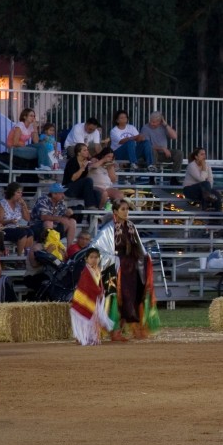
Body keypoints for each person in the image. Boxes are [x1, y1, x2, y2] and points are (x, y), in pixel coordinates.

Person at [111, 199, 156, 340]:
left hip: (134, 268)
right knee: (123, 298)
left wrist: (146, 257)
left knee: (136, 296)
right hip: (120, 268)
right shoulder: (110, 228)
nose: (126, 212)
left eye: (127, 209)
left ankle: (133, 329)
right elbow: (104, 248)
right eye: (122, 209)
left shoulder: (131, 226)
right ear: (115, 212)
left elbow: (139, 247)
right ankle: (116, 331)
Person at [70, 247, 115, 346]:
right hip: (83, 298)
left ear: (99, 258)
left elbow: (99, 283)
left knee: (93, 318)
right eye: (91, 257)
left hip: (93, 297)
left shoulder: (97, 269)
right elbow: (87, 284)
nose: (94, 259)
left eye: (96, 257)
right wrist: (98, 291)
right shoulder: (86, 271)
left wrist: (101, 290)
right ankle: (81, 337)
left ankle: (91, 337)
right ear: (86, 259)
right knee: (85, 318)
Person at [0, 183, 35, 255]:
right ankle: (19, 256)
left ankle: (27, 255)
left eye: (21, 193)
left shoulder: (19, 204)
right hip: (5, 228)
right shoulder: (2, 204)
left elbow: (27, 218)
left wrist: (24, 206)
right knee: (22, 233)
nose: (20, 195)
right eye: (18, 192)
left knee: (30, 232)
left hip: (17, 227)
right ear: (11, 192)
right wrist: (10, 221)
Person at [62, 143, 102, 209]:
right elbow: (73, 179)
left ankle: (92, 216)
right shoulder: (72, 161)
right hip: (68, 189)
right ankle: (90, 206)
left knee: (97, 193)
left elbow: (84, 179)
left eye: (87, 150)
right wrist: (82, 168)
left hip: (79, 190)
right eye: (84, 150)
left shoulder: (85, 162)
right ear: (79, 153)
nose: (87, 152)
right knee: (88, 180)